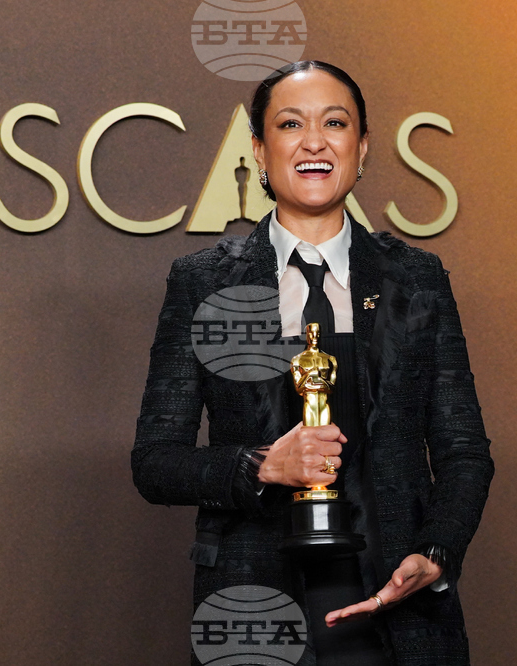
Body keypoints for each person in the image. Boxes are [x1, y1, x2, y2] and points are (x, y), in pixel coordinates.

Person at [131, 61, 494, 666]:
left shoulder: (416, 279)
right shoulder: (204, 283)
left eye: (336, 123)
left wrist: (435, 552)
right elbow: (155, 463)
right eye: (291, 124)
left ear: (362, 148)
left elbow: (463, 449)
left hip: (396, 606)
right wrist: (260, 466)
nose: (315, 141)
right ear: (258, 150)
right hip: (252, 606)